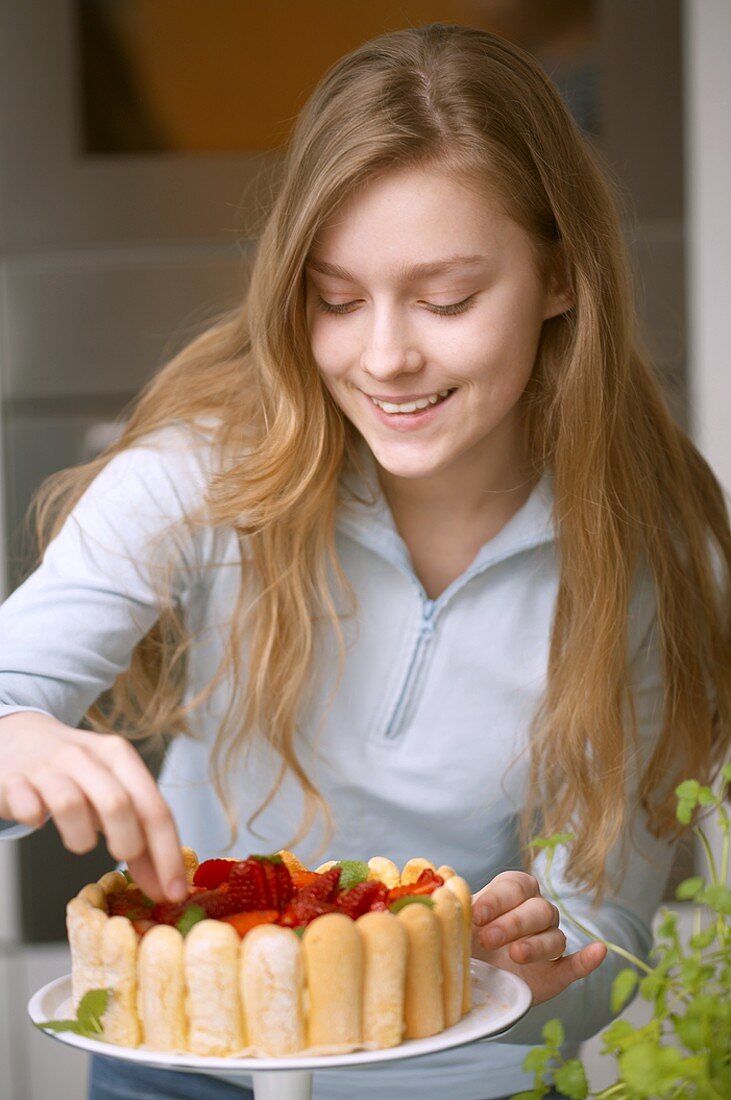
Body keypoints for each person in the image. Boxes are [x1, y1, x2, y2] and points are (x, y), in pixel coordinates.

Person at [1, 22, 729, 1100]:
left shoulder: (641, 553)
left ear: (559, 278)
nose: (383, 353)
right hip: (191, 1063)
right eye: (335, 299)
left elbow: (603, 935)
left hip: (458, 1073)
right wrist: (17, 732)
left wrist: (540, 972)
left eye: (445, 299)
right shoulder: (205, 472)